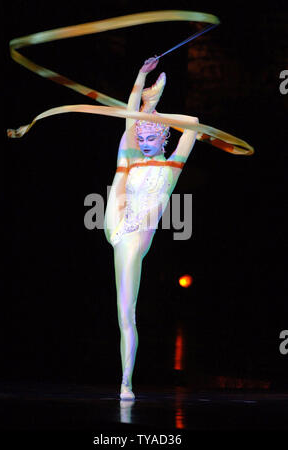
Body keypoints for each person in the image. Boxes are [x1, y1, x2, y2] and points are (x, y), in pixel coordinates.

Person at [104, 57, 199, 400]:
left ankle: (125, 379)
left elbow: (193, 123)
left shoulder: (172, 166)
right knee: (123, 155)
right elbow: (131, 124)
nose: (144, 139)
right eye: (141, 135)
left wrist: (155, 115)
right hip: (118, 218)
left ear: (163, 139)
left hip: (135, 237)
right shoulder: (133, 153)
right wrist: (141, 74)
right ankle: (147, 99)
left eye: (151, 135)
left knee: (125, 311)